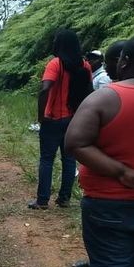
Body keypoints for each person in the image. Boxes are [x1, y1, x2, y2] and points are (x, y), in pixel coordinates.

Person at [65, 36, 134, 267]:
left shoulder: (105, 98)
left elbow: (76, 143)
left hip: (109, 203)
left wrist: (120, 172)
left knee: (109, 265)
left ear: (123, 60)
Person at [69, 40, 129, 267]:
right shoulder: (110, 85)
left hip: (114, 182)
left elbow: (79, 142)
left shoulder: (107, 89)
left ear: (121, 62)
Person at [28, 29, 93, 210]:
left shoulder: (56, 64)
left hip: (53, 119)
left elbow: (44, 89)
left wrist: (41, 116)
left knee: (47, 159)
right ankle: (64, 199)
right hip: (75, 120)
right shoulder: (85, 65)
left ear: (59, 44)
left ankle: (42, 201)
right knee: (69, 159)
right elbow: (89, 92)